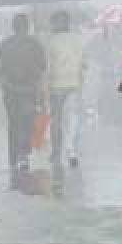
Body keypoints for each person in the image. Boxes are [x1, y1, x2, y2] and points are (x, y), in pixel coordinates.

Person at [0, 14, 47, 184]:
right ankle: (23, 154)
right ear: (27, 26)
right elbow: (43, 66)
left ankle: (13, 157)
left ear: (13, 27)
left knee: (13, 123)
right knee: (28, 122)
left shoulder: (6, 44)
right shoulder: (35, 44)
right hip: (29, 90)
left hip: (10, 90)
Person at [44, 11, 86, 169]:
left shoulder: (51, 41)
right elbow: (84, 64)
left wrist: (45, 87)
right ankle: (71, 152)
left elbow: (47, 67)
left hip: (56, 85)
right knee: (73, 119)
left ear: (56, 24)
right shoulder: (78, 40)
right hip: (74, 85)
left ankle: (56, 151)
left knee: (57, 120)